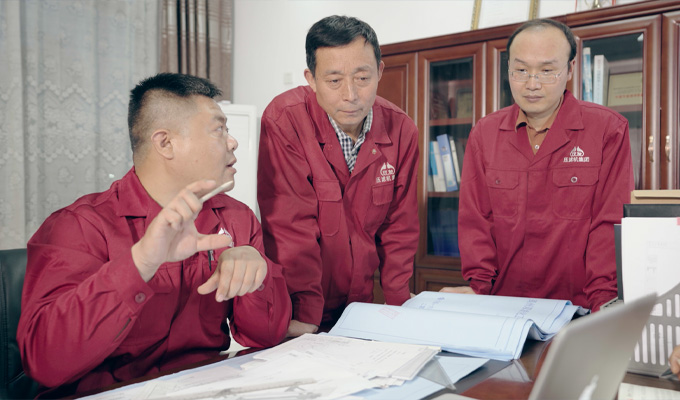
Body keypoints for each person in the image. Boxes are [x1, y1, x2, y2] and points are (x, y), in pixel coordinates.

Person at [17, 73, 291, 397]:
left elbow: (265, 337)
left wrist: (256, 275)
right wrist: (141, 262)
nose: (232, 142)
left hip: (203, 389)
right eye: (219, 129)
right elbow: (45, 362)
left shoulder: (236, 219)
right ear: (165, 143)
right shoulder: (79, 226)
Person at [440, 19, 633, 311]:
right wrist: (479, 290)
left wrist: (602, 307)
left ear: (570, 69)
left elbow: (609, 225)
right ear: (508, 70)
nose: (532, 84)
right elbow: (476, 223)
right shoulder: (485, 133)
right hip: (502, 308)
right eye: (521, 71)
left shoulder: (608, 129)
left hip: (578, 309)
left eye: (547, 70)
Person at [257, 15, 419, 336]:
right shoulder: (284, 120)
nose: (350, 94)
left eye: (362, 78)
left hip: (360, 303)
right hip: (299, 307)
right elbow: (291, 226)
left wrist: (399, 303)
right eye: (334, 81)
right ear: (311, 79)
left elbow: (400, 227)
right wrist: (305, 314)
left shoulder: (401, 128)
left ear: (380, 72)